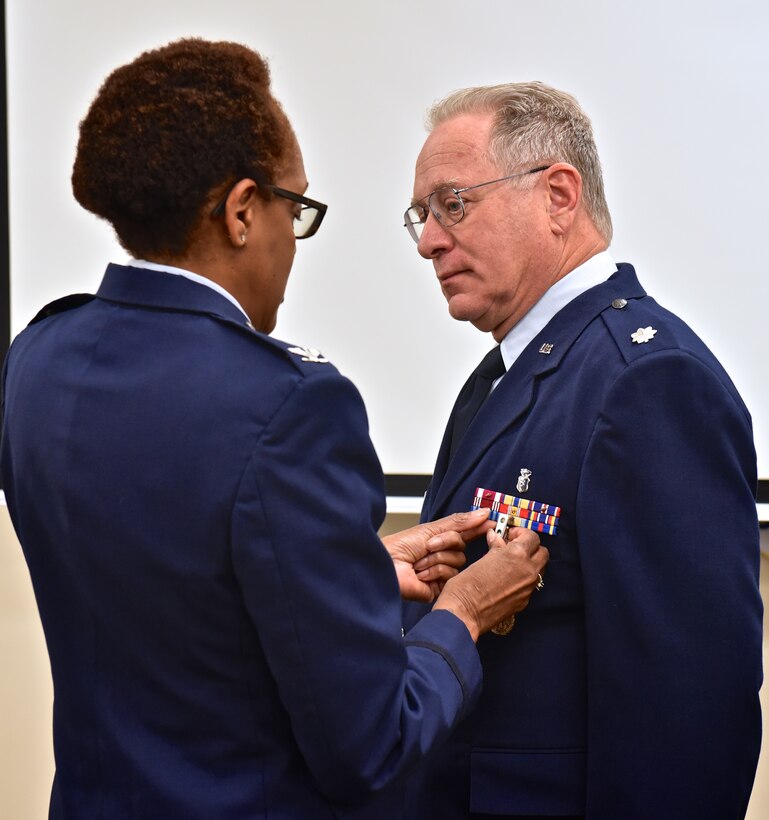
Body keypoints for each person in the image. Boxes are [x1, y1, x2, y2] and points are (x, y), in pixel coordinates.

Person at [0, 41, 549, 819]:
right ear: (240, 212)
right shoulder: (290, 407)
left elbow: (164, 581)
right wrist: (462, 612)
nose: (293, 238)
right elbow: (374, 744)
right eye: (295, 211)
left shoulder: (38, 359)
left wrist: (348, 572)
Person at [401, 81, 763, 819]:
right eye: (421, 215)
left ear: (558, 196)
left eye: (453, 204)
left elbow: (689, 710)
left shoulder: (646, 381)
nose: (428, 240)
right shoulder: (504, 374)